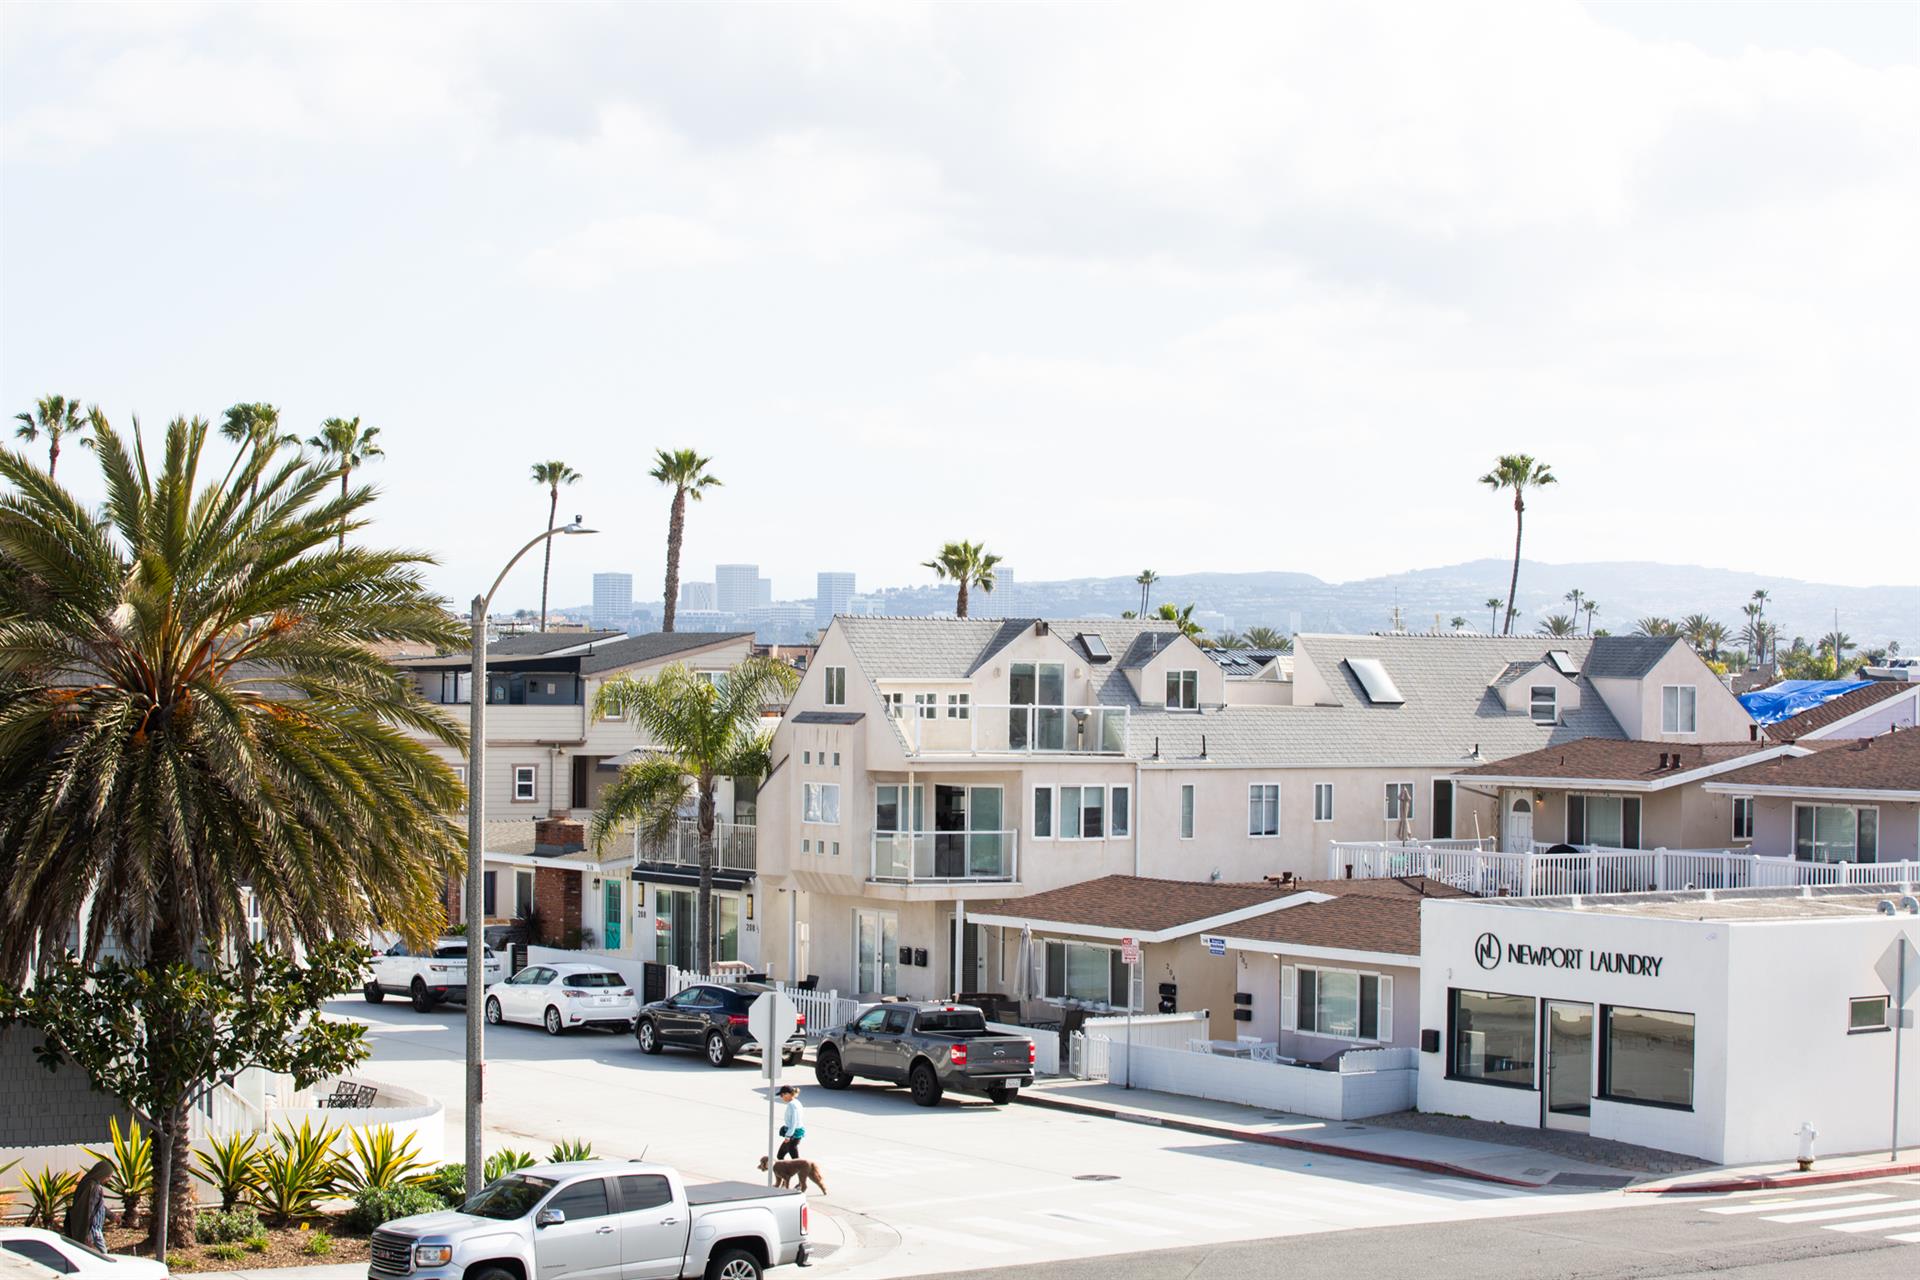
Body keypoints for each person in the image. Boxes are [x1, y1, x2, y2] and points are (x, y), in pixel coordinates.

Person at [65, 1160, 113, 1250]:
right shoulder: (93, 1187)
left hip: (92, 1230)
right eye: (108, 1177)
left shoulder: (87, 1183)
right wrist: (86, 1234)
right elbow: (88, 1210)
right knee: (101, 1256)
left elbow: (97, 1205)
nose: (109, 1180)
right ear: (101, 1174)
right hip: (92, 1231)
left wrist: (111, 1216)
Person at [776, 1084, 806, 1160]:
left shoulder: (791, 1105)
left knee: (793, 1159)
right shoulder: (796, 1102)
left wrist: (788, 1136)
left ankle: (799, 1167)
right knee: (781, 1155)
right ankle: (788, 1167)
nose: (781, 1097)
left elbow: (794, 1122)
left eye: (782, 1095)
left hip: (793, 1134)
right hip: (796, 1132)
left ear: (787, 1094)